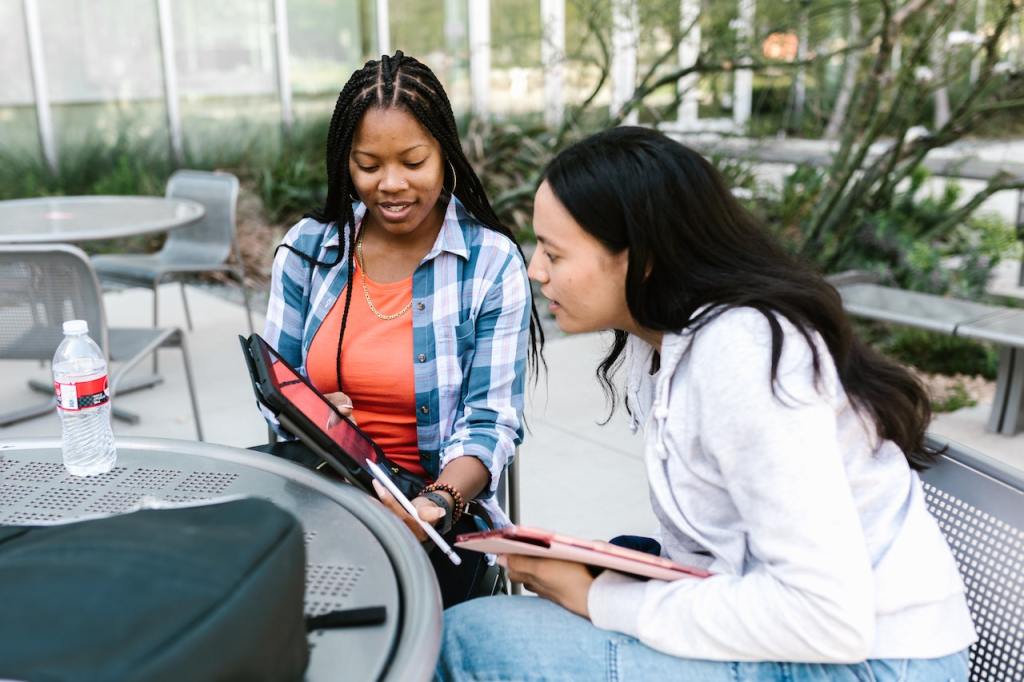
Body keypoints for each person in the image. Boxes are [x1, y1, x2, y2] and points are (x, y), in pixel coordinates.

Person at [437, 127, 975, 680]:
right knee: (601, 565)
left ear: (641, 258)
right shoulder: (668, 345)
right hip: (819, 640)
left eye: (554, 251)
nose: (535, 270)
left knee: (468, 639)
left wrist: (602, 600)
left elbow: (826, 617)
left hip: (873, 662)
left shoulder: (742, 352)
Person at [263, 51, 542, 606]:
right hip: (322, 496)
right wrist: (310, 414)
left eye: (413, 162)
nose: (391, 184)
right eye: (369, 165)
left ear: (446, 155)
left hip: (436, 514)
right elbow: (276, 385)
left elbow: (491, 423)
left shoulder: (489, 263)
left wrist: (435, 505)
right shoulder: (308, 252)